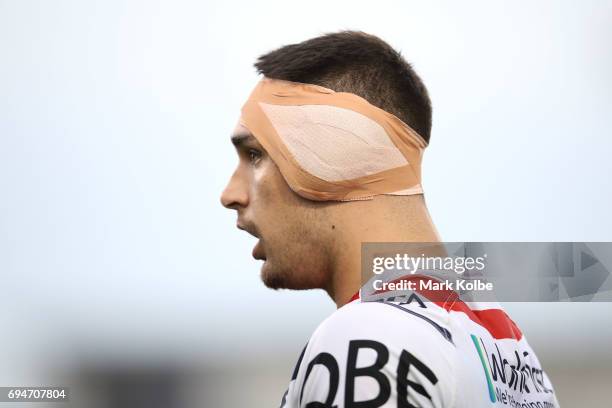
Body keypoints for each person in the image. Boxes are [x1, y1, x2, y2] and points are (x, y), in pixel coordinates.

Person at [221, 31, 559, 408]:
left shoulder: (370, 337)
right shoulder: (507, 348)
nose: (230, 194)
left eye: (253, 155)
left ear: (330, 161)